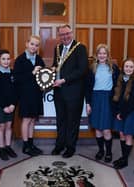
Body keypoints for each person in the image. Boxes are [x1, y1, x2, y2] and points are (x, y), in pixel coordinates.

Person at [51, 24, 88, 158]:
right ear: (59, 36)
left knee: (73, 121)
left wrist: (64, 80)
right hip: (59, 92)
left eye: (67, 33)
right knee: (60, 120)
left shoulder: (80, 48)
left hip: (74, 92)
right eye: (62, 34)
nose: (65, 37)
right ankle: (59, 144)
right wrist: (51, 73)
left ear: (72, 33)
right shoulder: (57, 48)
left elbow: (82, 70)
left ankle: (70, 147)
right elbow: (55, 66)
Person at [85, 44, 119, 162]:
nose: (102, 55)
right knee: (98, 128)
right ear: (96, 55)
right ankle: (101, 150)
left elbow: (118, 86)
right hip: (95, 98)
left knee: (106, 129)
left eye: (104, 53)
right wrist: (88, 103)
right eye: (100, 53)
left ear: (108, 55)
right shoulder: (92, 68)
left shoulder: (113, 68)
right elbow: (88, 87)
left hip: (108, 99)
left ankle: (108, 152)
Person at [13, 35, 45, 156]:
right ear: (27, 44)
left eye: (36, 45)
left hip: (36, 94)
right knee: (26, 119)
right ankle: (25, 145)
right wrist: (32, 72)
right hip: (25, 94)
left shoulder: (39, 60)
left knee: (32, 119)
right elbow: (17, 78)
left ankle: (31, 144)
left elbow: (43, 77)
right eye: (32, 44)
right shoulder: (20, 60)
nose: (34, 47)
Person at [112, 58, 134, 169]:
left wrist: (122, 114)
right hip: (120, 113)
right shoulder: (119, 79)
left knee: (128, 136)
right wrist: (117, 112)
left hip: (130, 113)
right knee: (122, 134)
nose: (128, 69)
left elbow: (133, 102)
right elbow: (116, 98)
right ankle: (123, 157)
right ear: (123, 68)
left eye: (131, 67)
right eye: (126, 66)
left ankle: (125, 160)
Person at [0, 49, 18, 161]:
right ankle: (2, 148)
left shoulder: (13, 73)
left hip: (11, 105)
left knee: (9, 126)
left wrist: (13, 104)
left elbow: (16, 91)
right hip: (0, 105)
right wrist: (4, 106)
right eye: (3, 59)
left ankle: (8, 146)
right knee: (1, 126)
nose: (6, 61)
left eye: (8, 59)